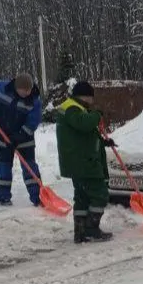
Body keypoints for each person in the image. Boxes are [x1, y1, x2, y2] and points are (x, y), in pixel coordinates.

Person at [56, 81, 115, 243]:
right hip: (84, 162)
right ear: (86, 96)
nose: (92, 101)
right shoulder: (73, 109)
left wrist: (103, 142)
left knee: (82, 198)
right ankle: (91, 229)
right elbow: (84, 124)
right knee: (100, 194)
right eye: (91, 97)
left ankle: (80, 232)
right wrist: (97, 115)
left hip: (78, 161)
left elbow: (82, 136)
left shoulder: (74, 109)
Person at [0, 73, 42, 207]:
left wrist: (21, 135)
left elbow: (33, 121)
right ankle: (3, 197)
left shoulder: (34, 100)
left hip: (24, 136)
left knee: (30, 166)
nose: (26, 93)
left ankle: (38, 197)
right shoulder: (1, 88)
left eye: (28, 90)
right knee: (4, 165)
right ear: (16, 87)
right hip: (2, 134)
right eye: (23, 90)